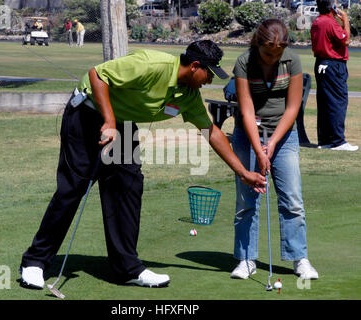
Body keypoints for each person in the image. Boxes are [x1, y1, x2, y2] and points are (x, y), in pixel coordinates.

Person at [19, 40, 267, 289]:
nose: (210, 81)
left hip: (122, 124)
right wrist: (108, 120)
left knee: (128, 187)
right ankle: (34, 262)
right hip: (87, 113)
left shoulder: (188, 96)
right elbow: (97, 75)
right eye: (209, 73)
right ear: (194, 66)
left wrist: (243, 172)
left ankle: (127, 268)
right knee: (72, 189)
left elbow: (211, 131)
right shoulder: (151, 64)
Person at [230, 19, 319, 280]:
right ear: (258, 44)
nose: (273, 58)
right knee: (247, 200)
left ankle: (299, 258)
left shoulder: (291, 60)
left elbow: (293, 107)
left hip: (284, 134)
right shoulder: (244, 62)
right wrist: (259, 149)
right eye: (269, 52)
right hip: (248, 135)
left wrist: (273, 143)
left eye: (277, 53)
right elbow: (246, 109)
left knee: (292, 199)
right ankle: (246, 259)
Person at [311, 0, 358, 151]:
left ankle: (325, 140)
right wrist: (345, 20)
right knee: (338, 102)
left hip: (321, 63)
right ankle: (338, 141)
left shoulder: (317, 21)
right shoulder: (330, 22)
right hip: (333, 65)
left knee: (325, 102)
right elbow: (346, 40)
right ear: (332, 7)